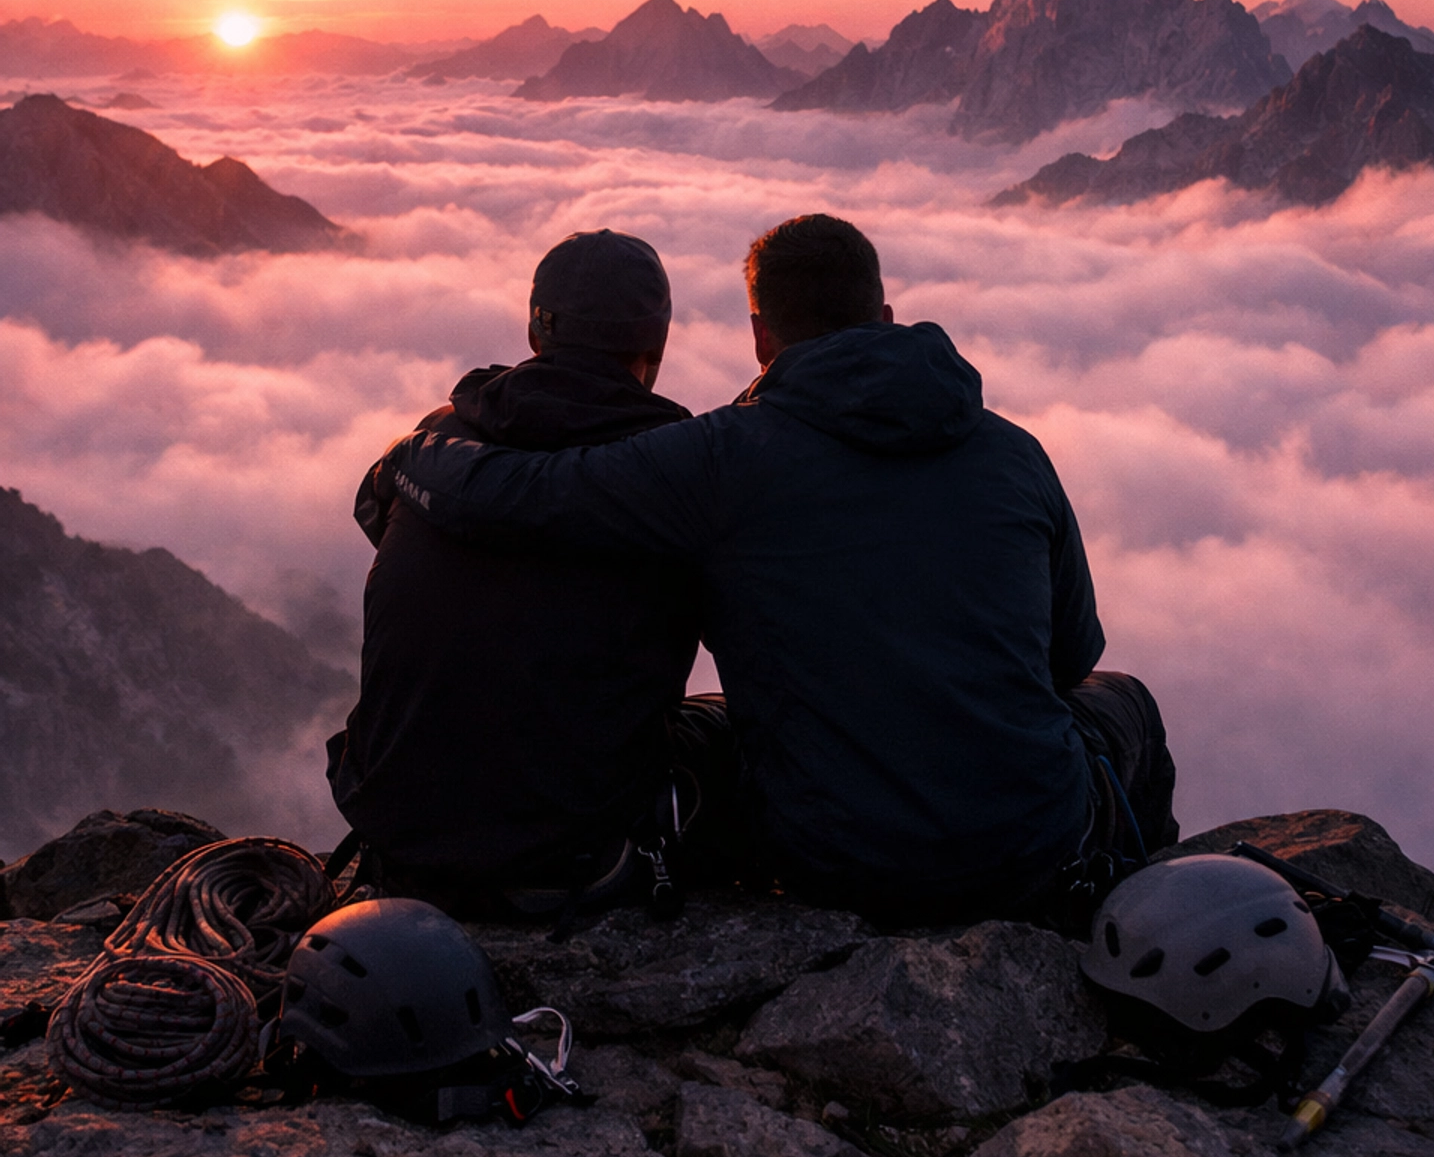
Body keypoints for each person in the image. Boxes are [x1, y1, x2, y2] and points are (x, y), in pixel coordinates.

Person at [369, 212, 1176, 926]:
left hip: (825, 857)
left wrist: (423, 455)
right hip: (1029, 844)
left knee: (718, 725)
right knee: (1126, 702)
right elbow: (1071, 661)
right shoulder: (1014, 452)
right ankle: (1138, 924)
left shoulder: (721, 460)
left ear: (761, 335)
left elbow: (535, 496)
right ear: (887, 316)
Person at [331, 228, 711, 915]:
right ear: (655, 346)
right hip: (576, 862)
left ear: (536, 333)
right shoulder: (683, 479)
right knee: (721, 734)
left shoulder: (435, 441)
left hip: (403, 841)